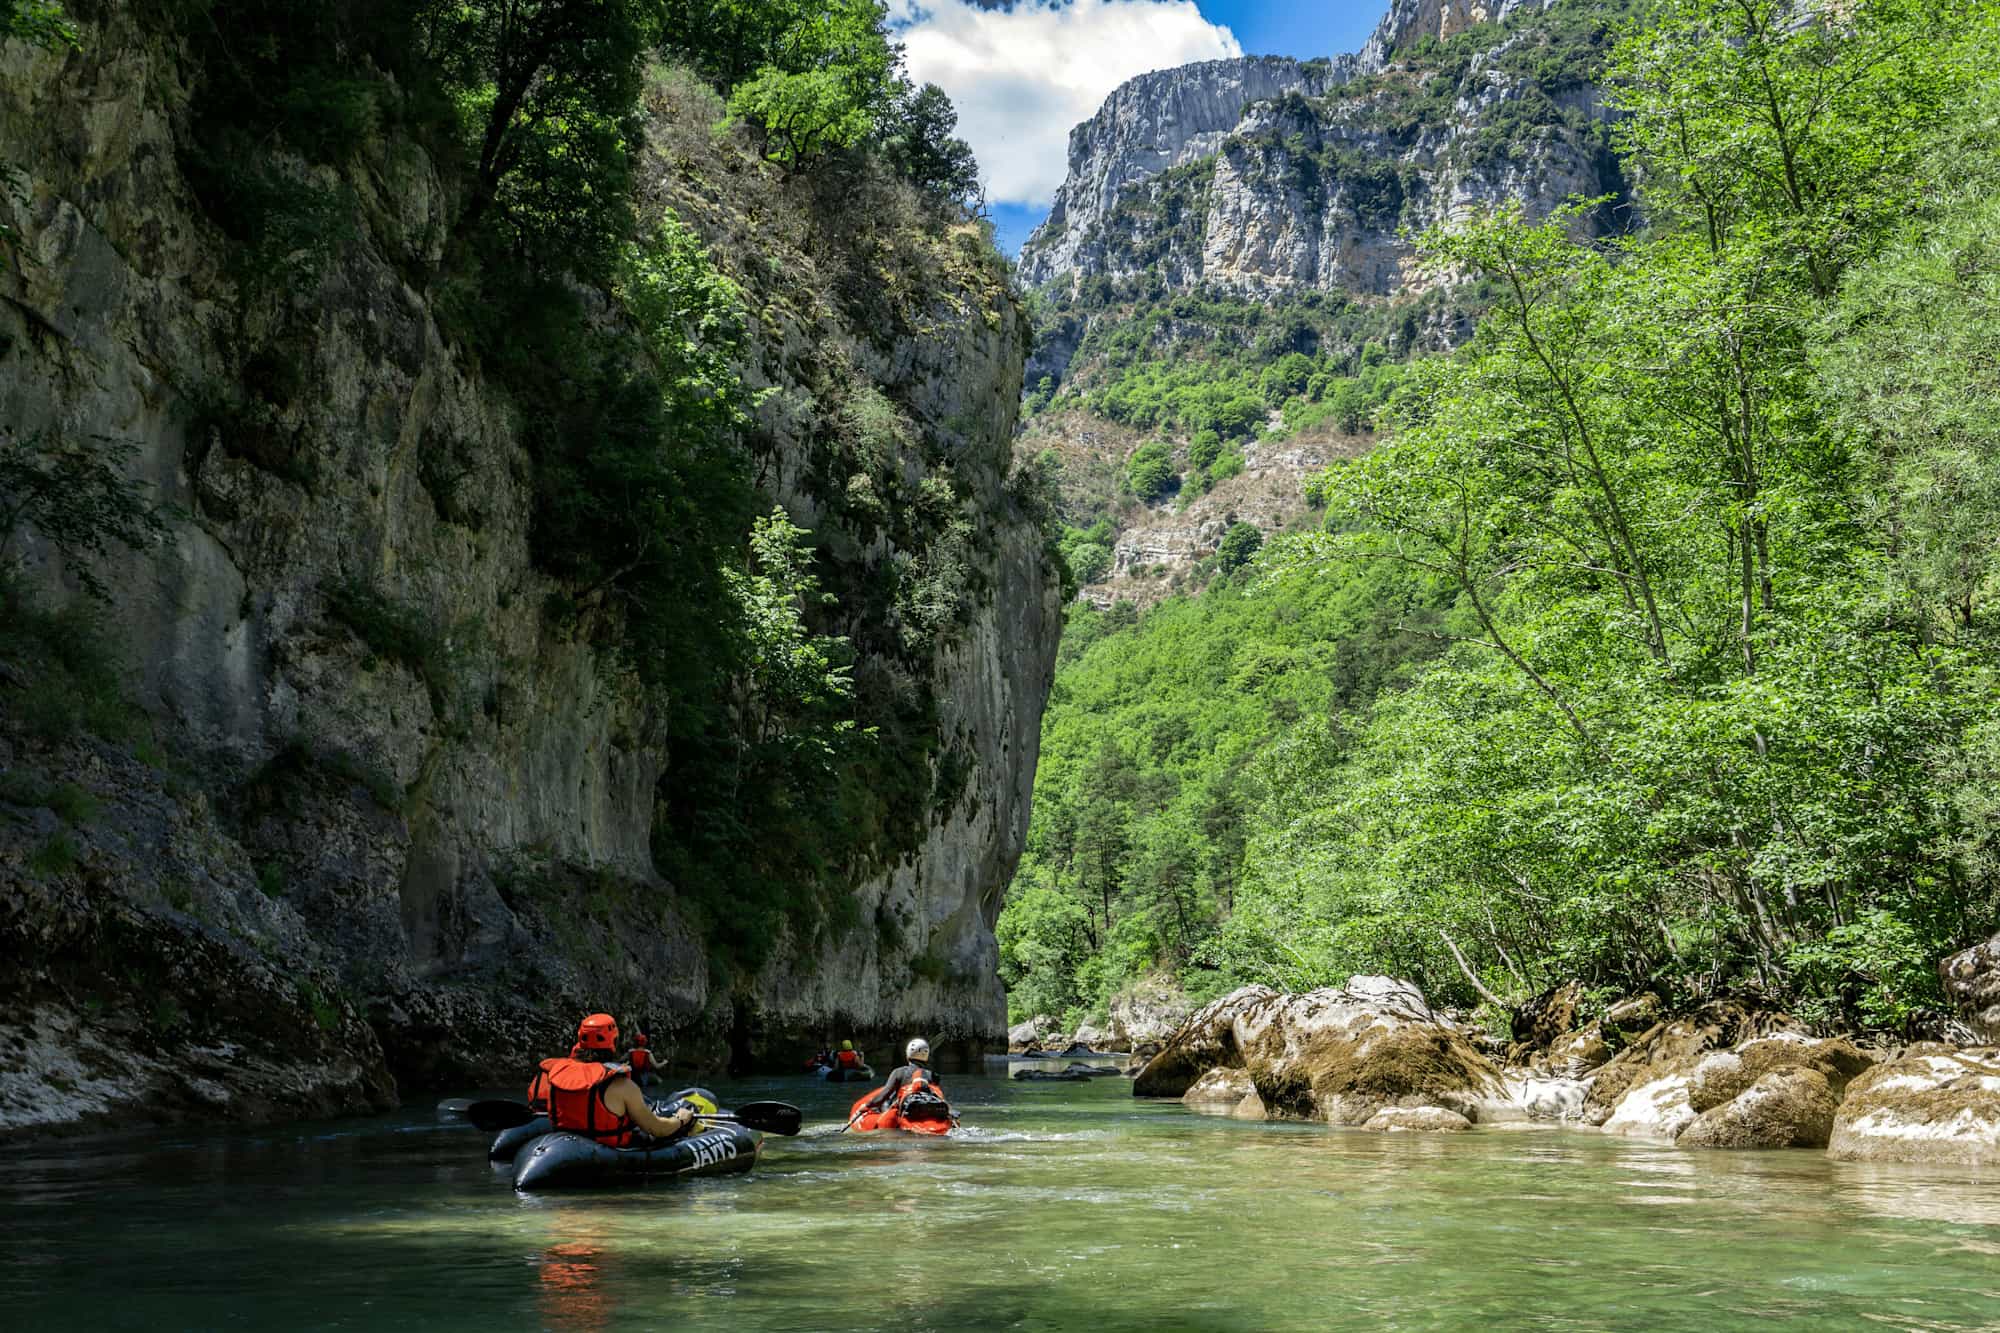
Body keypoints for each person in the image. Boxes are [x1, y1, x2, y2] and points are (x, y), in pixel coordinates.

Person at [527, 1013, 697, 1146]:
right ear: (613, 1041)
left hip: (565, 1144)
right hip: (610, 1146)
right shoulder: (622, 1085)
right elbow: (657, 1129)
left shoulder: (556, 1078)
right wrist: (681, 1119)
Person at [857, 1037, 950, 1123]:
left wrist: (867, 1106)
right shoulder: (933, 1075)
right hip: (930, 1111)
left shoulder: (898, 1072)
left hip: (908, 1113)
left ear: (908, 1053)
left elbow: (884, 1095)